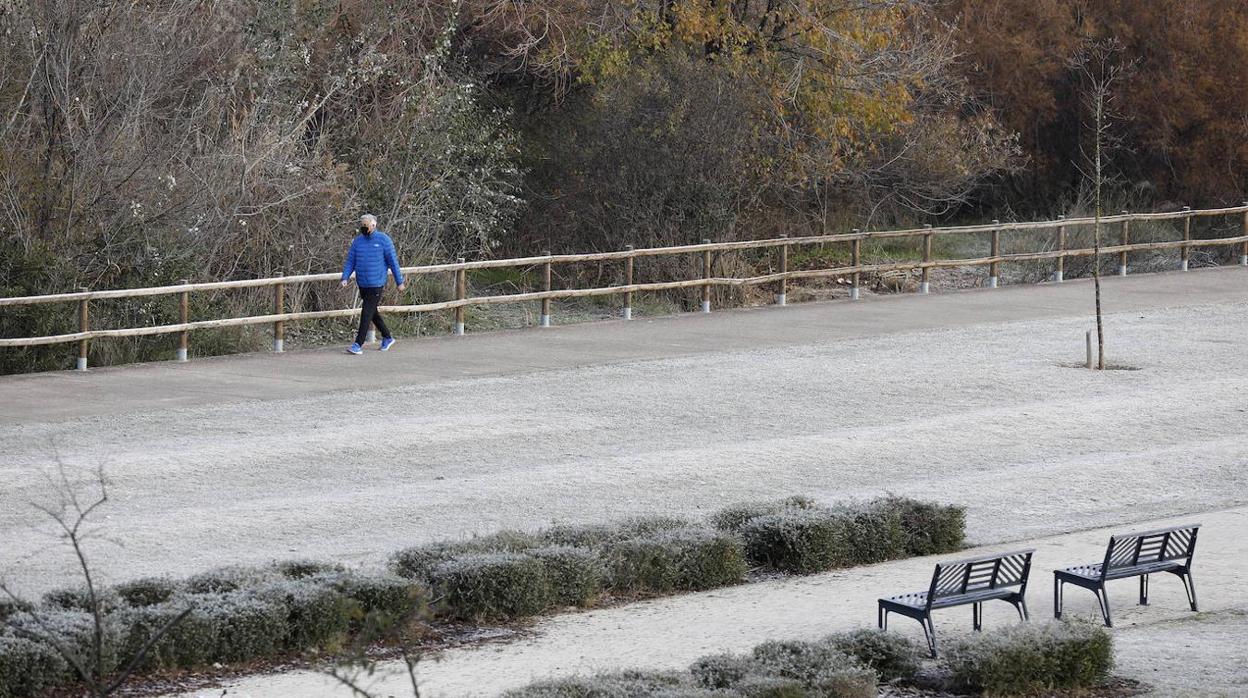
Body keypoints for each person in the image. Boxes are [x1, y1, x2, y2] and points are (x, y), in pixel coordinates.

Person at [340, 214, 405, 354]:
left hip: (376, 282)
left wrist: (399, 282)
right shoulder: (357, 242)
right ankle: (387, 337)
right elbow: (351, 261)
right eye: (362, 225)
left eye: (366, 225)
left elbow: (393, 262)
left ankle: (358, 344)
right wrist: (345, 277)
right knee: (372, 312)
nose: (364, 227)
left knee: (366, 312)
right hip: (362, 283)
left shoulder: (384, 240)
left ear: (374, 224)